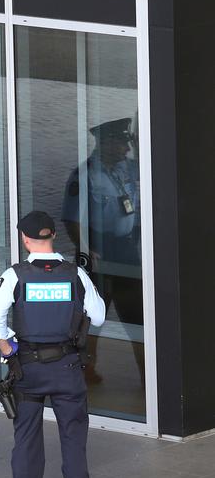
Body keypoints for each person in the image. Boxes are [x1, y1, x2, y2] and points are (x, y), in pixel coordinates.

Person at [0, 210, 106, 478]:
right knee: (74, 443)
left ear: (25, 239)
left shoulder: (15, 275)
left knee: (26, 442)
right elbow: (98, 317)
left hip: (28, 369)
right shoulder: (75, 274)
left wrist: (9, 350)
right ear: (53, 236)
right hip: (68, 368)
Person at [61, 117, 143, 382]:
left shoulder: (127, 169)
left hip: (126, 251)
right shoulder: (84, 175)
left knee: (138, 317)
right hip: (97, 251)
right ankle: (86, 371)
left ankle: (148, 376)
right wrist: (86, 250)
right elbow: (71, 219)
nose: (127, 150)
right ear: (106, 142)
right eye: (122, 144)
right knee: (92, 317)